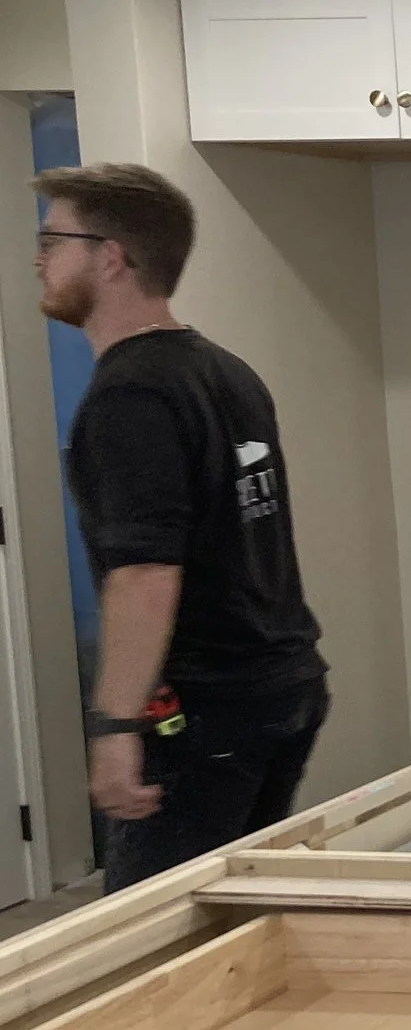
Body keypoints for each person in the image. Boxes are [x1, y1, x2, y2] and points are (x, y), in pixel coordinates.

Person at [33, 162, 328, 890]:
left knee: (150, 940)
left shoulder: (129, 396)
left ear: (111, 255)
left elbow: (144, 573)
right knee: (234, 916)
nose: (38, 258)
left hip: (202, 716)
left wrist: (115, 726)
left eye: (52, 240)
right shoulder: (225, 371)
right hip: (279, 689)